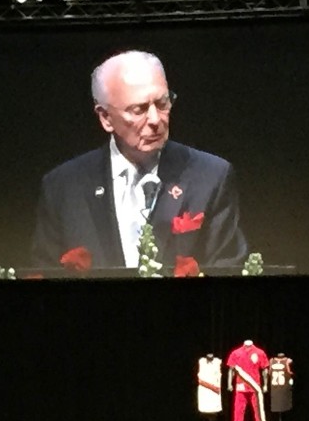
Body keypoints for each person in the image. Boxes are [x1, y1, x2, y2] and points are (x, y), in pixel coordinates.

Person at [30, 49, 249, 272]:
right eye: (139, 109)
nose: (155, 120)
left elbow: (227, 274)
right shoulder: (62, 187)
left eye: (162, 103)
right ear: (105, 118)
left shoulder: (211, 177)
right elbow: (46, 280)